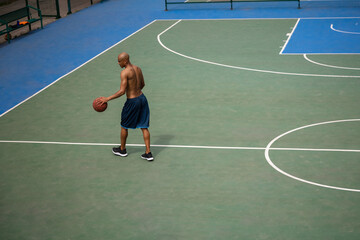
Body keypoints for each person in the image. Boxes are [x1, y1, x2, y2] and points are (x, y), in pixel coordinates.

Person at [100, 52, 153, 161]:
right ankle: (148, 153)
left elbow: (121, 92)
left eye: (119, 61)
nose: (118, 63)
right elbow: (143, 84)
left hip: (132, 102)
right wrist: (136, 90)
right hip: (142, 99)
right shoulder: (138, 68)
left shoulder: (124, 72)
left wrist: (107, 99)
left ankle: (122, 150)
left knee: (124, 125)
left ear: (125, 61)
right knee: (144, 127)